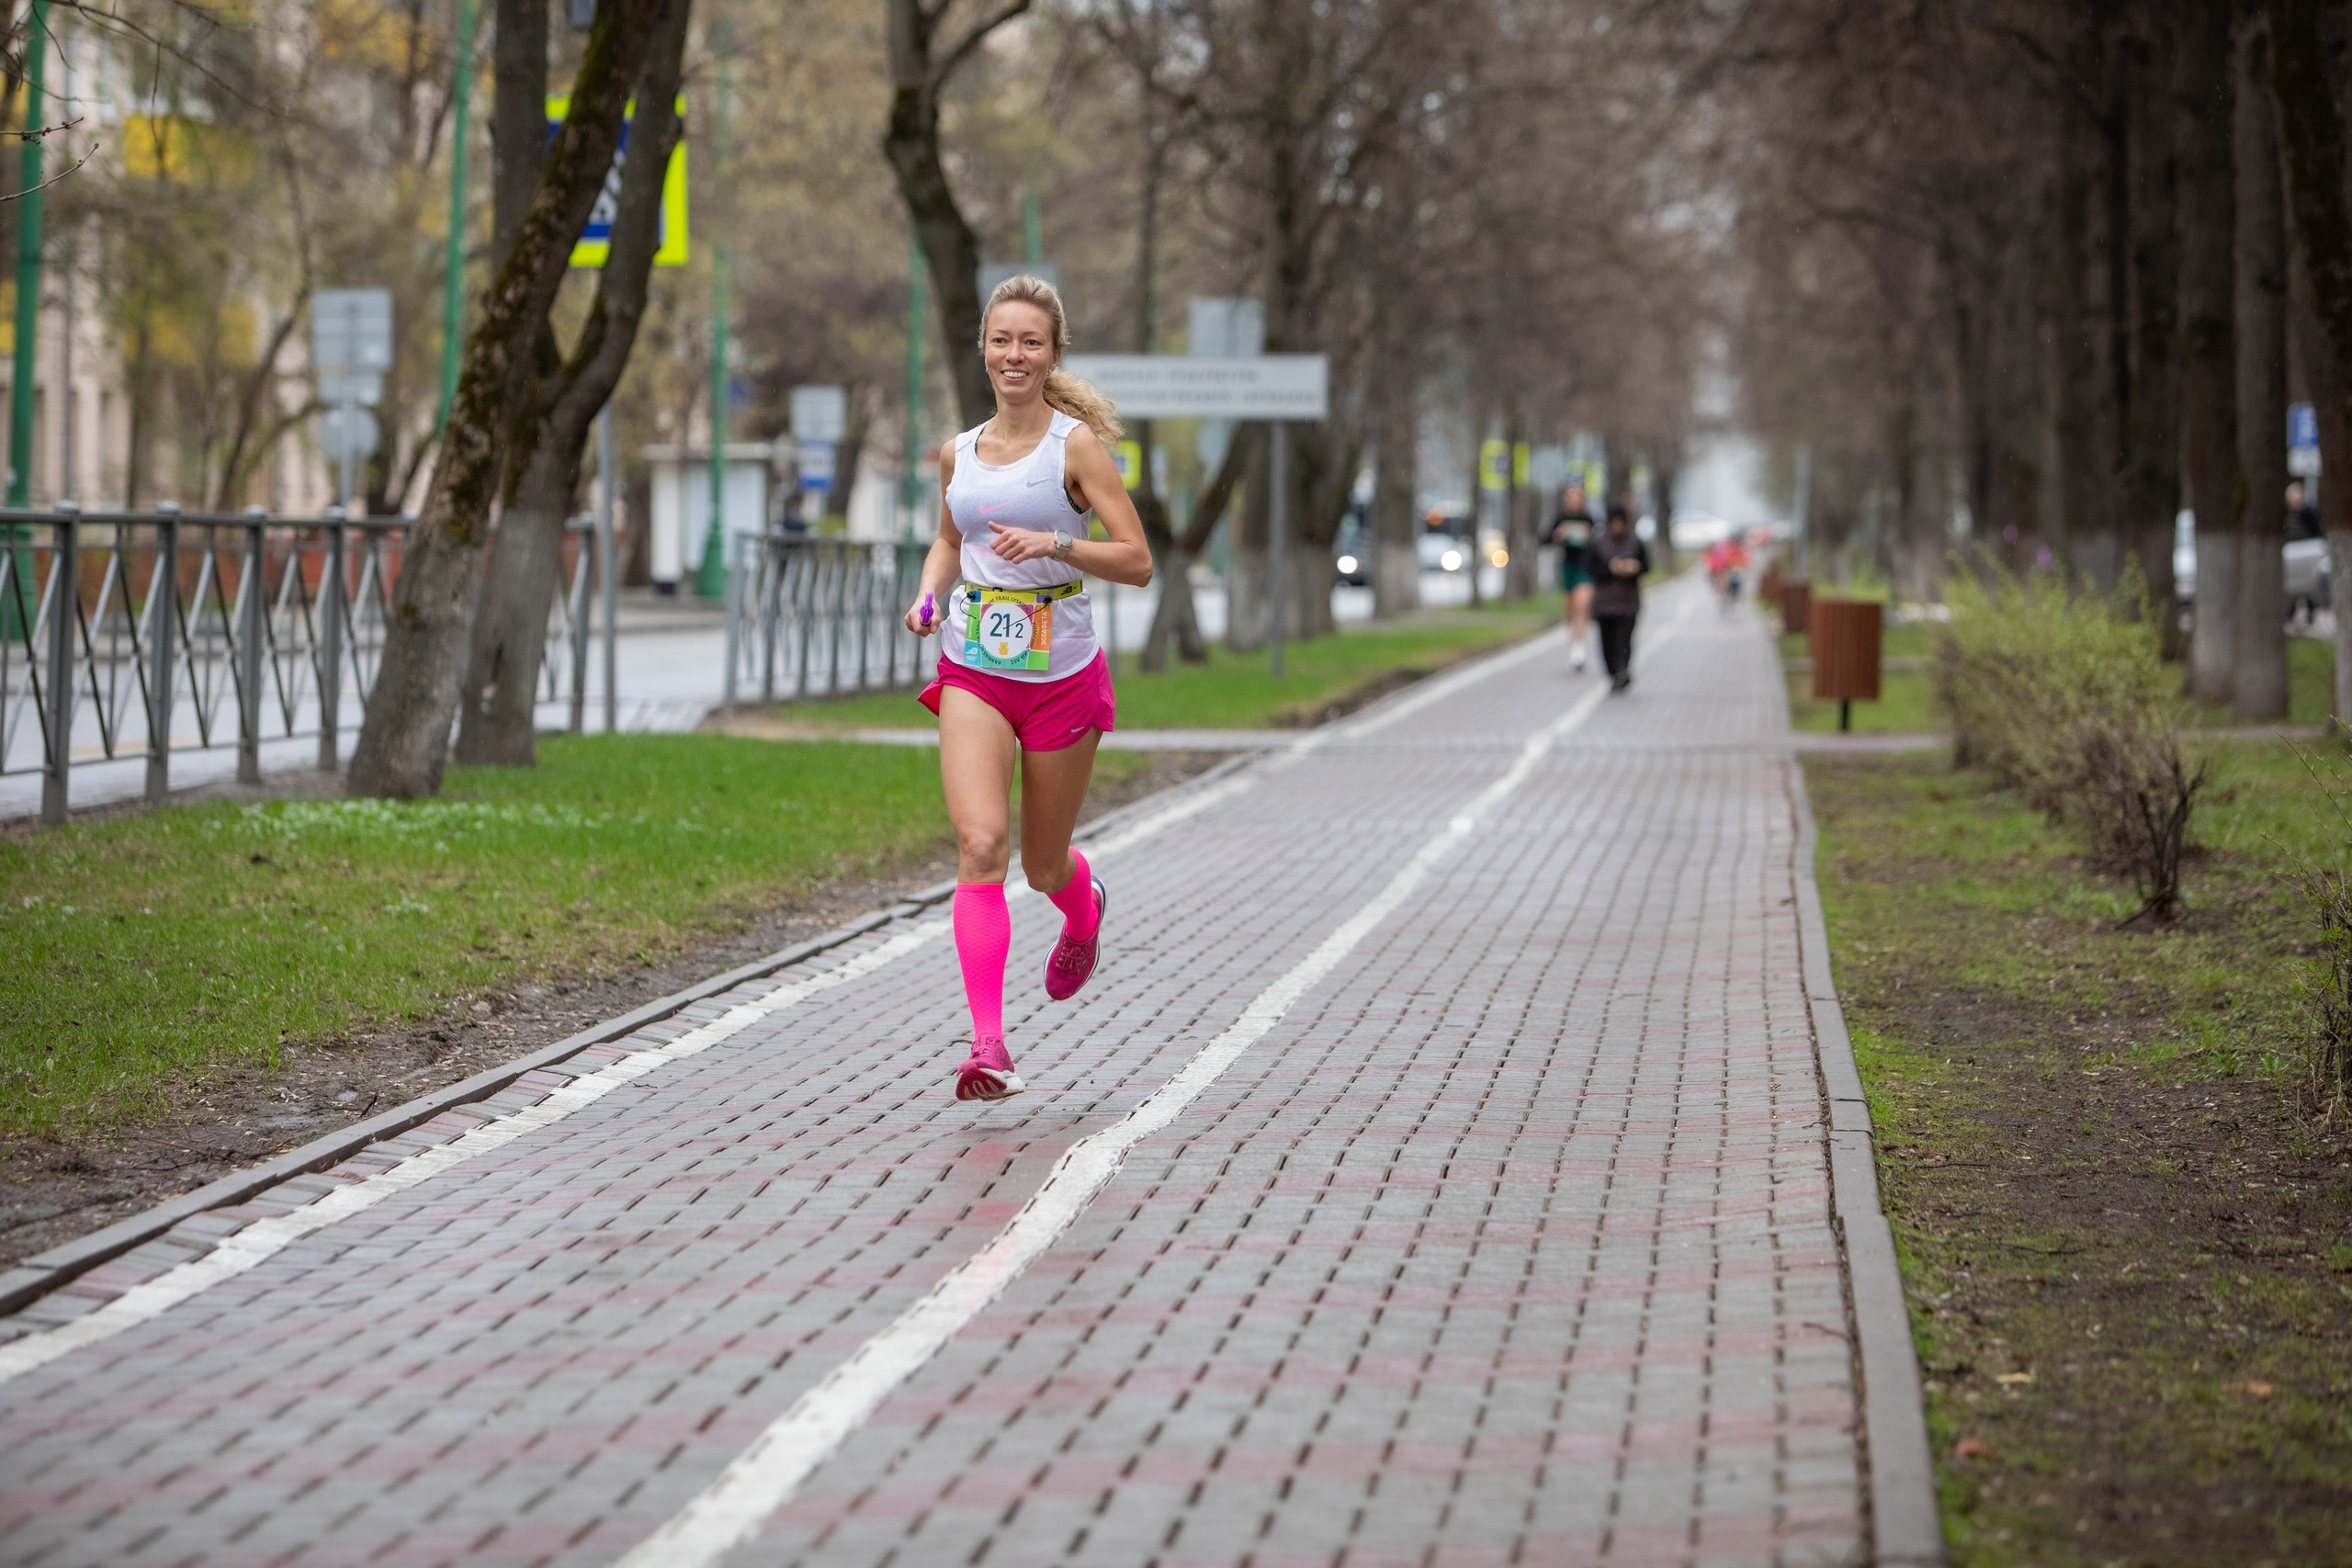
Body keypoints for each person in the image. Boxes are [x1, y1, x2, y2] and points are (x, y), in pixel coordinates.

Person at [903, 275, 1153, 1101]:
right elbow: (949, 538)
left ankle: (1083, 911)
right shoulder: (958, 453)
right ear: (984, 348)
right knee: (980, 847)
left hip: (1061, 673)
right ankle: (988, 1044)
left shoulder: (1075, 448)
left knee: (1044, 866)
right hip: (974, 664)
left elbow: (1138, 560)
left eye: (1031, 343)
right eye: (1002, 340)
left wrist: (1056, 542)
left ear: (1053, 355)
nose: (1015, 355)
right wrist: (930, 592)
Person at [1586, 502, 1650, 693]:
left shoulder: (1635, 542)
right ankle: (1612, 672)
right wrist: (1610, 568)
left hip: (1628, 602)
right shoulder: (1598, 543)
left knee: (1624, 640)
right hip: (1604, 603)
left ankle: (1623, 670)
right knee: (1607, 641)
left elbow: (1646, 565)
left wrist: (1634, 567)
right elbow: (1589, 567)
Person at [1544, 481, 1597, 670]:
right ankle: (1575, 641)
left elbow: (1598, 542)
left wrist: (1589, 536)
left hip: (1585, 567)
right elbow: (1544, 540)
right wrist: (1558, 534)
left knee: (1581, 606)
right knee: (1570, 611)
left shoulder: (1588, 518)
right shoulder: (1560, 517)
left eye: (1577, 496)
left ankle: (1579, 649)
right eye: (1571, 496)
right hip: (1567, 566)